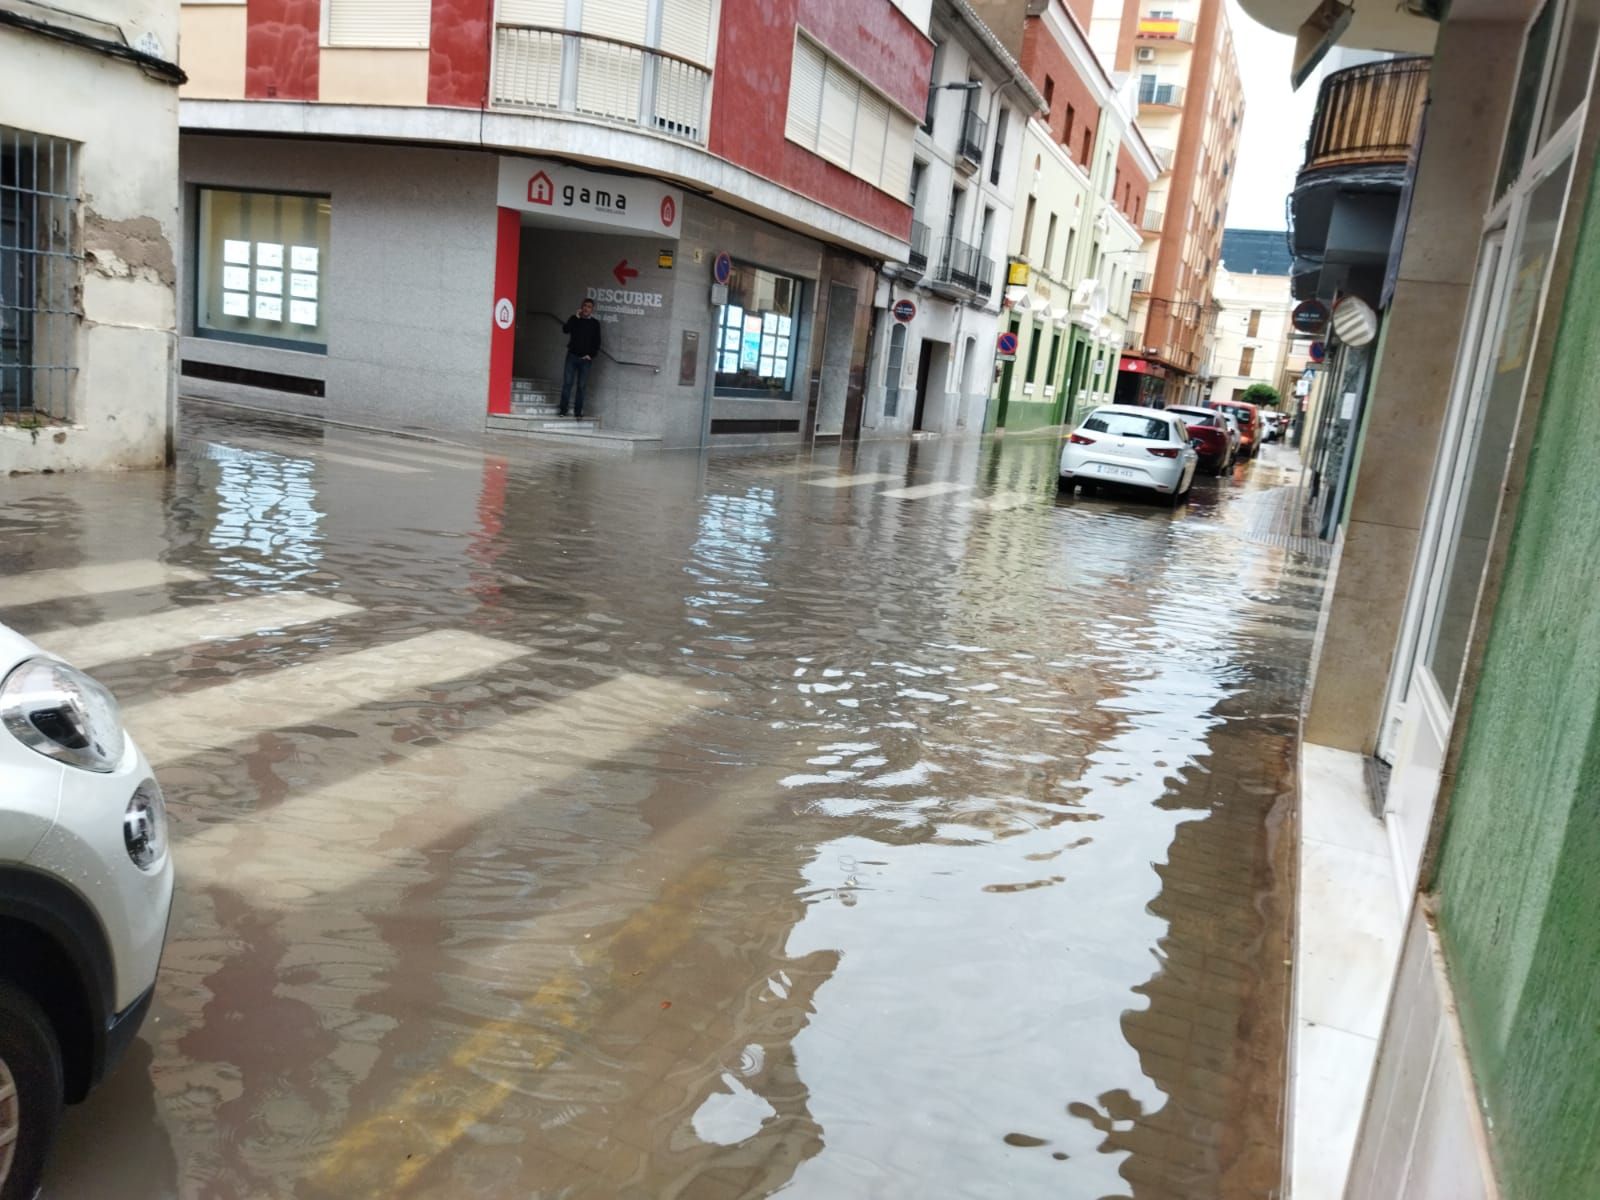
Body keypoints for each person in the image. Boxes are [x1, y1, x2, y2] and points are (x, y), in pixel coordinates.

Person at [560, 299, 602, 419]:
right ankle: (563, 410)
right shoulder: (574, 319)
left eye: (589, 307)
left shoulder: (595, 323)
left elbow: (597, 342)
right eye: (584, 306)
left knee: (581, 386)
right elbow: (565, 330)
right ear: (581, 307)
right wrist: (576, 317)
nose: (586, 308)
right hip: (572, 356)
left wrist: (591, 355)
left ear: (592, 309)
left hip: (585, 360)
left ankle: (578, 412)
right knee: (567, 383)